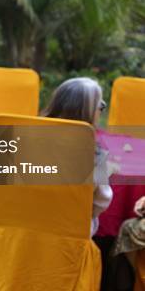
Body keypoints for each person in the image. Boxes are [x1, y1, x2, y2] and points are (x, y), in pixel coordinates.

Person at [41, 77, 113, 237]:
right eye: (100, 106)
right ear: (88, 114)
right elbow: (101, 201)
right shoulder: (95, 155)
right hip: (69, 233)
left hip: (20, 227)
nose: (101, 110)